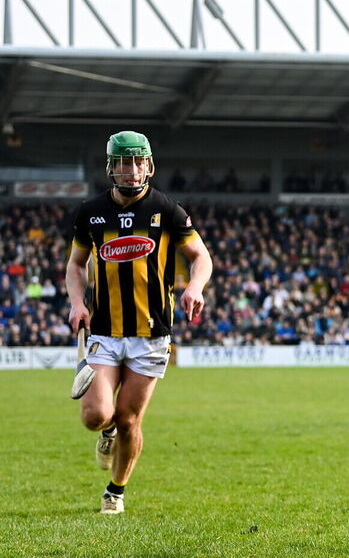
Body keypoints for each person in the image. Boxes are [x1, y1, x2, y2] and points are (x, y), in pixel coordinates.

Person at [66, 131, 212, 514]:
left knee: (130, 420)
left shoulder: (167, 210)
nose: (131, 171)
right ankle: (107, 431)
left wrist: (195, 287)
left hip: (151, 333)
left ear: (149, 165)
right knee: (96, 416)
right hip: (104, 330)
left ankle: (115, 490)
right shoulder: (90, 212)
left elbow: (201, 257)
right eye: (123, 163)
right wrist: (77, 302)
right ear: (111, 167)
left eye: (137, 162)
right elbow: (75, 265)